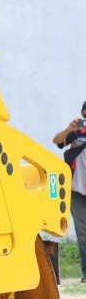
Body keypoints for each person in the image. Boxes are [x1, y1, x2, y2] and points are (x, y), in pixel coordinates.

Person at [53, 102, 86, 283]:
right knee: (83, 234)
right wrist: (69, 129)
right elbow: (57, 141)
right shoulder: (76, 133)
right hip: (77, 191)